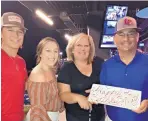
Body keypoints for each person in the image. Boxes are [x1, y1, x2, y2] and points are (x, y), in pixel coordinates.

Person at [100, 16, 148, 121]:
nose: (126, 38)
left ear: (137, 36)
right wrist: (96, 93)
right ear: (114, 38)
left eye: (131, 34)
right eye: (121, 34)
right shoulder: (107, 66)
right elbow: (104, 92)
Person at [57, 33, 105, 121]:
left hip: (99, 116)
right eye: (79, 45)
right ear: (72, 49)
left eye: (86, 46)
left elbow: (110, 85)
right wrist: (79, 98)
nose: (83, 48)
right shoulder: (67, 68)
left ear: (90, 49)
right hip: (75, 117)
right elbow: (63, 94)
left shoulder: (99, 63)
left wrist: (99, 92)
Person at [26, 37, 64, 121]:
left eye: (55, 51)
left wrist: (61, 111)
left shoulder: (51, 70)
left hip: (53, 115)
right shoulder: (38, 74)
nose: (53, 55)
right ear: (40, 53)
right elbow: (38, 111)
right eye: (48, 50)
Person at [1, 12, 28, 121]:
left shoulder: (21, 62)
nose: (16, 35)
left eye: (20, 32)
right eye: (10, 30)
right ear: (1, 33)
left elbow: (26, 87)